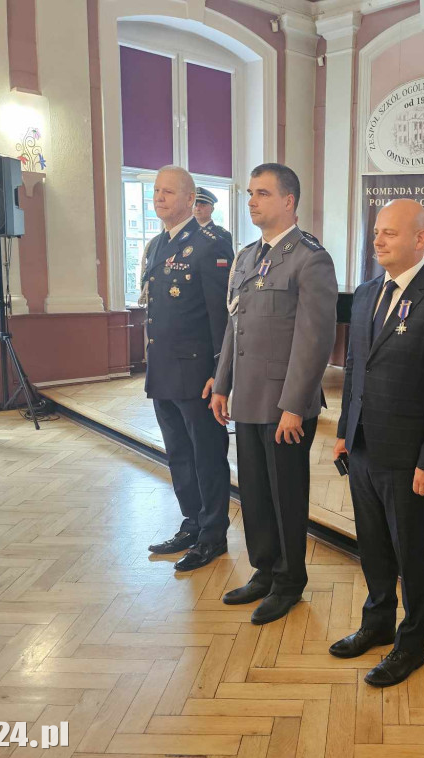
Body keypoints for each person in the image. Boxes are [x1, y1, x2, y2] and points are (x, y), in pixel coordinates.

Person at [330, 199, 424, 686]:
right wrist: (345, 433)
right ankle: (377, 624)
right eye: (376, 232)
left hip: (409, 459)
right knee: (372, 547)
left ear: (420, 239)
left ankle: (411, 647)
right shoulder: (366, 293)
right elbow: (354, 371)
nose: (378, 240)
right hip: (364, 448)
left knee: (410, 554)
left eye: (389, 232)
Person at [210, 163, 337, 625]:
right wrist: (222, 382)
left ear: (289, 201)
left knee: (286, 496)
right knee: (256, 494)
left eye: (262, 193)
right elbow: (234, 324)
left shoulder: (310, 259)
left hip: (284, 405)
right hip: (246, 398)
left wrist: (293, 406)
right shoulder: (246, 257)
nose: (251, 201)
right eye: (249, 193)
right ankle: (264, 570)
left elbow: (313, 341)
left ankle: (289, 582)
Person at [143, 165, 235, 572]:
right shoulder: (159, 245)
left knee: (207, 456)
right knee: (178, 455)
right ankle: (192, 523)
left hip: (198, 375)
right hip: (163, 371)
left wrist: (221, 372)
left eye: (167, 192)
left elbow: (222, 317)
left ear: (188, 198)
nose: (159, 198)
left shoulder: (209, 245)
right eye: (156, 191)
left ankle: (213, 534)